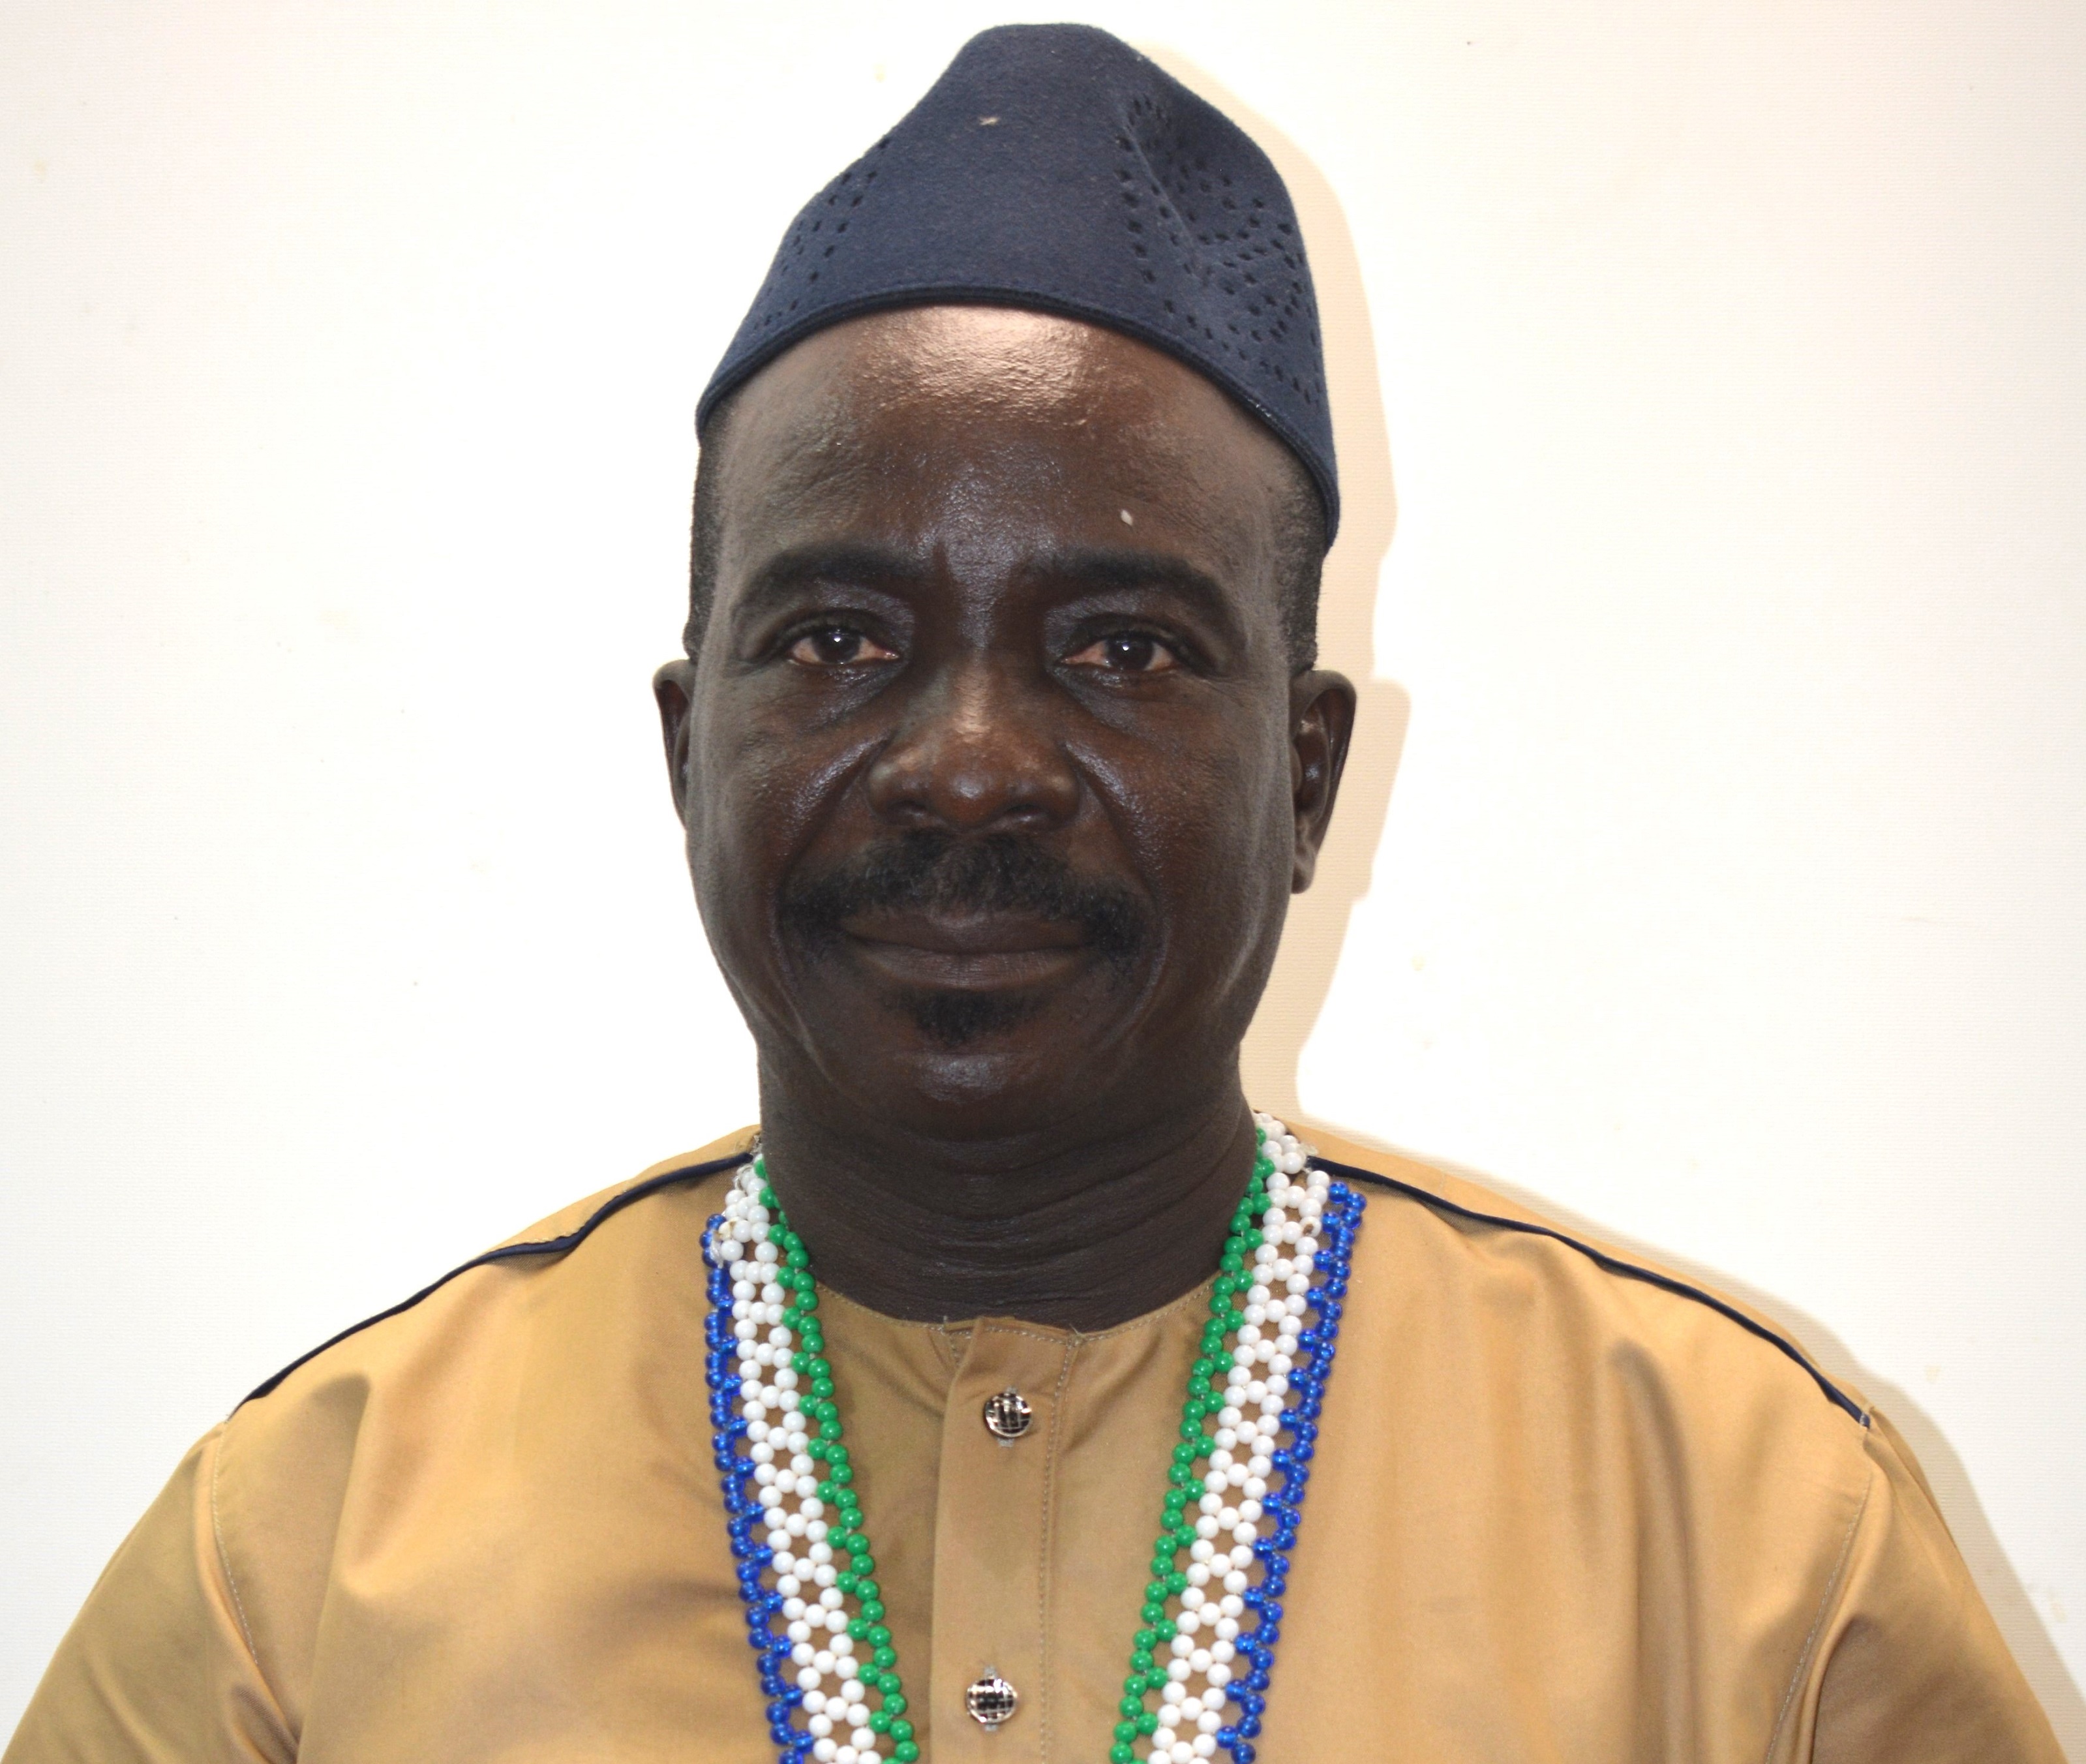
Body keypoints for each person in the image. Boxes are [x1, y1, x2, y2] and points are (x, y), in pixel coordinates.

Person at [5, 23, 2061, 1764]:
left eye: (1124, 647)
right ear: (686, 749)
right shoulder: (298, 1562)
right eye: (837, 639)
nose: (970, 764)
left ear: (1307, 776)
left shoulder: (1752, 1535)